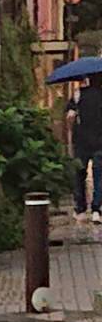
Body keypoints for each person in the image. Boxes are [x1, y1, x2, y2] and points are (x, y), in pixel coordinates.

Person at [69, 74, 102, 223]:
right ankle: (97, 210)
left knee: (79, 175)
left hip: (81, 142)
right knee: (99, 177)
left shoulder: (78, 94)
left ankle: (80, 210)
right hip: (100, 142)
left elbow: (70, 116)